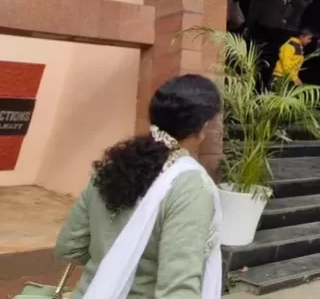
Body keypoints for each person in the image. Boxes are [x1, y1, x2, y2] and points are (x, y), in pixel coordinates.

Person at [54, 74, 223, 298]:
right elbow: (177, 288)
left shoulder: (113, 167)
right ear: (203, 127)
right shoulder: (189, 185)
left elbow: (70, 247)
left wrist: (111, 267)